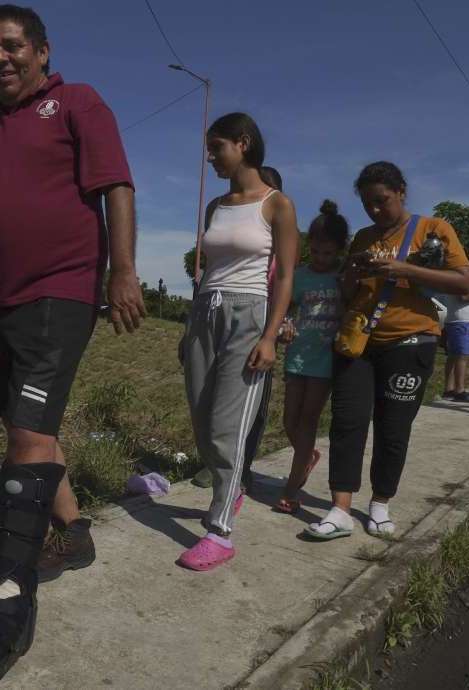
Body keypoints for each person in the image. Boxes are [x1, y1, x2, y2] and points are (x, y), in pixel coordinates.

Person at [0, 5, 146, 684]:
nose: (1, 58)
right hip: (7, 293)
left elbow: (115, 185)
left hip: (62, 288)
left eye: (13, 46)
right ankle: (75, 531)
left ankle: (6, 601)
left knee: (29, 434)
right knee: (20, 424)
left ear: (41, 51)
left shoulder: (77, 101)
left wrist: (122, 270)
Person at [306, 161, 469, 541]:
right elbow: (350, 293)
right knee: (347, 422)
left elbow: (464, 282)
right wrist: (352, 272)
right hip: (360, 340)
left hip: (411, 340)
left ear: (401, 192)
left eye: (382, 201)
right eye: (367, 204)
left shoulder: (434, 229)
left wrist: (403, 269)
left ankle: (380, 502)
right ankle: (340, 508)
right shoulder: (364, 237)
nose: (374, 211)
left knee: (392, 427)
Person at [178, 113, 298, 570]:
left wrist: (270, 334)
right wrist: (192, 327)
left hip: (249, 315)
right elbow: (208, 269)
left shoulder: (277, 205)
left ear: (243, 143)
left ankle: (220, 531)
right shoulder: (216, 206)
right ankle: (231, 492)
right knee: (200, 417)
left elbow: (285, 275)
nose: (211, 157)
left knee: (228, 426)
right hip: (205, 311)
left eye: (217, 148)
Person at [195, 164, 285, 493]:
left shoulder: (276, 254)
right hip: (216, 319)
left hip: (260, 329)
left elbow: (289, 289)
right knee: (209, 402)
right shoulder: (234, 242)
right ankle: (218, 464)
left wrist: (275, 330)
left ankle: (238, 472)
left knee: (250, 411)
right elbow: (209, 275)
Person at [275, 200, 348, 514]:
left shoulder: (344, 278)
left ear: (339, 251)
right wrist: (285, 323)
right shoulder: (299, 276)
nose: (321, 259)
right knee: (289, 420)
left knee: (308, 421)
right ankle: (307, 457)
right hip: (297, 356)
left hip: (325, 361)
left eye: (328, 254)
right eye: (316, 252)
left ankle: (292, 488)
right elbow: (286, 308)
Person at [437, 259, 469, 404]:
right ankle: (459, 390)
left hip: (457, 321)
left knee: (453, 356)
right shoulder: (460, 279)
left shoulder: (459, 278)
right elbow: (463, 297)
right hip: (460, 322)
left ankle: (449, 390)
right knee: (463, 356)